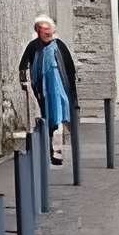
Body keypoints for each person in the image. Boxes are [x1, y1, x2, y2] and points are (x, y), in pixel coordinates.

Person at [17, 15, 76, 167]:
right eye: (44, 29)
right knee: (47, 119)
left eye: (49, 29)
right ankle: (49, 149)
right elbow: (23, 65)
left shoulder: (59, 45)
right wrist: (25, 83)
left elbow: (70, 68)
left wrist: (72, 91)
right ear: (38, 31)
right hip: (41, 89)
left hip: (59, 89)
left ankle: (57, 152)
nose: (47, 32)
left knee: (58, 117)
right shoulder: (33, 46)